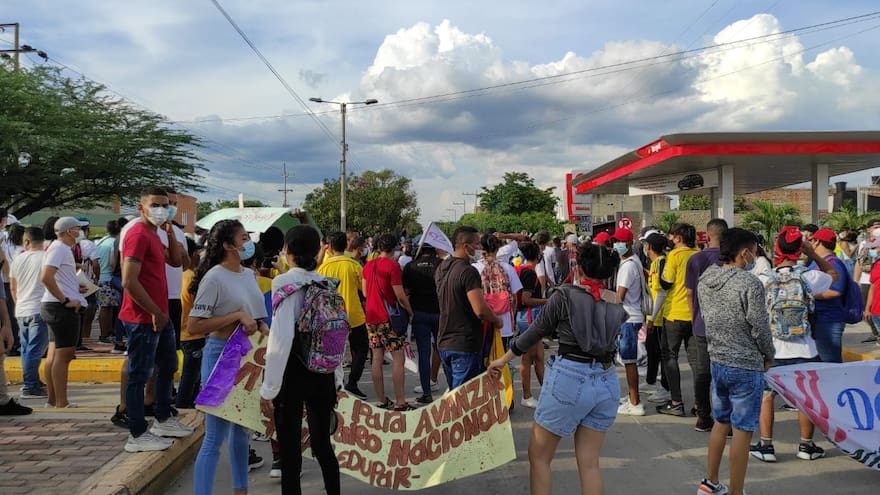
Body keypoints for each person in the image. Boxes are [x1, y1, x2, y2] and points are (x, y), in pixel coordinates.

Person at [487, 242, 627, 495]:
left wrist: (503, 359)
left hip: (570, 376)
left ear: (579, 268)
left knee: (539, 456)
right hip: (606, 380)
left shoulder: (564, 295)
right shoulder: (616, 301)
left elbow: (536, 331)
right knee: (590, 463)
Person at [260, 225, 342, 495]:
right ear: (317, 251)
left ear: (287, 251)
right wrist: (337, 378)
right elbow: (334, 334)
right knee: (323, 444)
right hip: (323, 372)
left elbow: (281, 337)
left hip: (293, 372)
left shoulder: (284, 284)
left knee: (290, 449)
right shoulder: (327, 283)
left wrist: (269, 387)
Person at [188, 219, 268, 494]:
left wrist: (261, 326)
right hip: (220, 356)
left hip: (247, 355)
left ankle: (240, 490)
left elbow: (255, 314)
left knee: (241, 431)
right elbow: (194, 326)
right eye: (243, 238)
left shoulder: (249, 275)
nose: (249, 243)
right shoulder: (214, 278)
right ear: (227, 246)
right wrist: (236, 316)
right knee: (214, 436)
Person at [696, 228, 775, 495]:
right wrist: (769, 354)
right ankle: (736, 491)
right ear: (744, 253)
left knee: (721, 422)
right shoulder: (749, 283)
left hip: (718, 360)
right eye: (754, 251)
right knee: (742, 429)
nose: (755, 256)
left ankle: (710, 482)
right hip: (746, 364)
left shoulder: (706, 279)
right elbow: (760, 327)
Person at [750, 226, 837, 464]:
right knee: (804, 399)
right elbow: (833, 275)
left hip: (773, 349)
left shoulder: (764, 279)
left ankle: (766, 446)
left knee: (766, 397)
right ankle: (806, 446)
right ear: (800, 249)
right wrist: (813, 254)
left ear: (777, 249)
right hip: (805, 348)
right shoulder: (809, 277)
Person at [119, 188, 192, 452]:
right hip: (143, 317)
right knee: (140, 374)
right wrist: (154, 312)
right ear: (142, 207)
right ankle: (137, 433)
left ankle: (163, 418)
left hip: (159, 313)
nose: (163, 209)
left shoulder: (155, 233)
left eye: (167, 205)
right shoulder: (138, 234)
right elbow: (129, 281)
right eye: (156, 205)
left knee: (168, 364)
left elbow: (175, 261)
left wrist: (170, 233)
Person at [436, 226, 503, 389]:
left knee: (455, 394)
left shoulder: (442, 268)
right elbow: (480, 309)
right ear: (466, 246)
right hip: (465, 343)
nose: (480, 248)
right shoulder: (468, 272)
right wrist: (496, 320)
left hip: (444, 341)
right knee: (463, 397)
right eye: (477, 244)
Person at [684, 218, 729, 431]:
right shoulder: (731, 258)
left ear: (707, 235)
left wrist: (694, 317)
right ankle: (725, 419)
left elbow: (689, 293)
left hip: (702, 324)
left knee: (703, 372)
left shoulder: (696, 259)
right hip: (727, 325)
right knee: (725, 371)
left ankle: (703, 416)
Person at [650, 223, 699, 416]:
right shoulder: (698, 254)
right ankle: (700, 404)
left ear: (678, 238)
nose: (669, 239)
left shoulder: (674, 256)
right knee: (696, 361)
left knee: (670, 357)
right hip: (694, 314)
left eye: (671, 236)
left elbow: (666, 283)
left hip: (674, 313)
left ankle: (676, 401)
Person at [40, 217, 89, 409]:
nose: (80, 232)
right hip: (60, 308)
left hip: (55, 305)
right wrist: (65, 300)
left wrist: (75, 288)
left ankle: (53, 400)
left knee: (54, 355)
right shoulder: (59, 248)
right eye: (78, 228)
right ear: (69, 231)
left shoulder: (60, 249)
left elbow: (57, 277)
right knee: (64, 355)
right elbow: (46, 277)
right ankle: (61, 401)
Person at [363, 233, 414, 411]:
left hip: (371, 317)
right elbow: (400, 295)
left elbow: (365, 292)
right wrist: (410, 311)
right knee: (398, 358)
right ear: (394, 248)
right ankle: (400, 401)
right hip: (388, 318)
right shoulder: (393, 266)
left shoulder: (368, 265)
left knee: (376, 358)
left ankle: (381, 400)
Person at [318, 231, 369, 401]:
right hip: (354, 315)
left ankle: (334, 386)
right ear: (346, 245)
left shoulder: (323, 267)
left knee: (333, 353)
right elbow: (364, 289)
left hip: (331, 316)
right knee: (361, 349)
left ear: (330, 247)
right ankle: (352, 383)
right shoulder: (354, 265)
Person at [473, 234, 523, 402]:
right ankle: (505, 398)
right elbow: (515, 297)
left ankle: (485, 399)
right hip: (504, 324)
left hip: (482, 323)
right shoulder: (507, 268)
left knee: (483, 361)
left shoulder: (475, 268)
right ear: (497, 248)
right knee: (503, 362)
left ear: (481, 248)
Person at [9, 227, 49, 398]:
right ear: (42, 240)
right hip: (39, 308)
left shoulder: (17, 259)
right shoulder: (46, 257)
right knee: (35, 349)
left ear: (26, 241)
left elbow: (13, 287)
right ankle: (30, 385)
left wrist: (19, 304)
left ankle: (32, 379)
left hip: (21, 309)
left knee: (27, 348)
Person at [402, 242, 444, 404]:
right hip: (439, 313)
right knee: (443, 349)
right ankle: (454, 389)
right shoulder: (442, 265)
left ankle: (427, 392)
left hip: (419, 313)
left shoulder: (411, 267)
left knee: (424, 353)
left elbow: (405, 292)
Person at [612, 228, 647, 416]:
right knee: (628, 361)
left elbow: (620, 296)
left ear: (630, 243)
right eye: (616, 241)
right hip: (633, 316)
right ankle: (633, 397)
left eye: (621, 242)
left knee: (629, 361)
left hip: (629, 317)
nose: (617, 245)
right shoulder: (635, 261)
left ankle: (635, 403)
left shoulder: (627, 267)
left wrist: (601, 296)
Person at [807, 228, 848, 363]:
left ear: (817, 242)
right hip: (819, 319)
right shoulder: (818, 262)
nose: (810, 243)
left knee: (830, 363)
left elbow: (835, 291)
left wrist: (806, 295)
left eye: (811, 240)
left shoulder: (833, 263)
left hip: (829, 320)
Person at [514, 241, 547, 409]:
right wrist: (546, 301)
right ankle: (526, 395)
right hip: (529, 317)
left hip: (529, 316)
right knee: (528, 357)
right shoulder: (529, 273)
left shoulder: (523, 270)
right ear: (537, 255)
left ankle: (547, 394)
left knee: (539, 357)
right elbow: (526, 299)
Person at [642, 233, 670, 404]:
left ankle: (666, 388)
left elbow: (661, 292)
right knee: (651, 350)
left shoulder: (661, 263)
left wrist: (652, 318)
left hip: (659, 316)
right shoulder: (654, 263)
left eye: (645, 245)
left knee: (662, 353)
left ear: (650, 247)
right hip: (653, 315)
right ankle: (650, 381)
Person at [176, 238, 203, 410]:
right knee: (191, 374)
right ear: (192, 255)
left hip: (180, 330)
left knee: (192, 373)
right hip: (193, 332)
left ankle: (188, 402)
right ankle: (184, 404)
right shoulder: (191, 277)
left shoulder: (175, 276)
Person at [95, 220, 121, 344]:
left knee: (106, 307)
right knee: (106, 308)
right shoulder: (114, 243)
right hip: (109, 278)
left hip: (101, 278)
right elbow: (112, 263)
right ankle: (105, 335)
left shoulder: (101, 241)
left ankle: (106, 333)